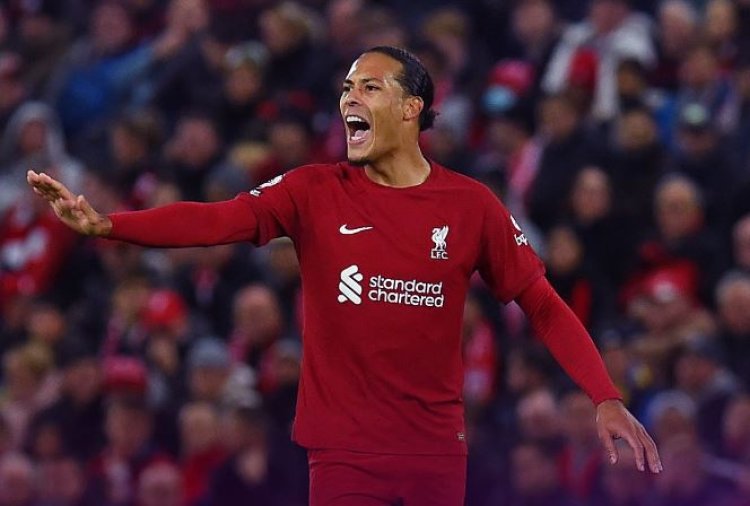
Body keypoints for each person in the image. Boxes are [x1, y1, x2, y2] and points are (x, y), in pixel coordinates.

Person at [27, 46, 661, 505]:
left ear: (411, 108)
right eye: (347, 88)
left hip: (435, 453)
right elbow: (218, 219)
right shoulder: (313, 191)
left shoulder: (471, 206)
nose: (349, 98)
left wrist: (604, 396)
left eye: (370, 88)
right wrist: (111, 225)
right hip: (344, 456)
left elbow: (542, 304)